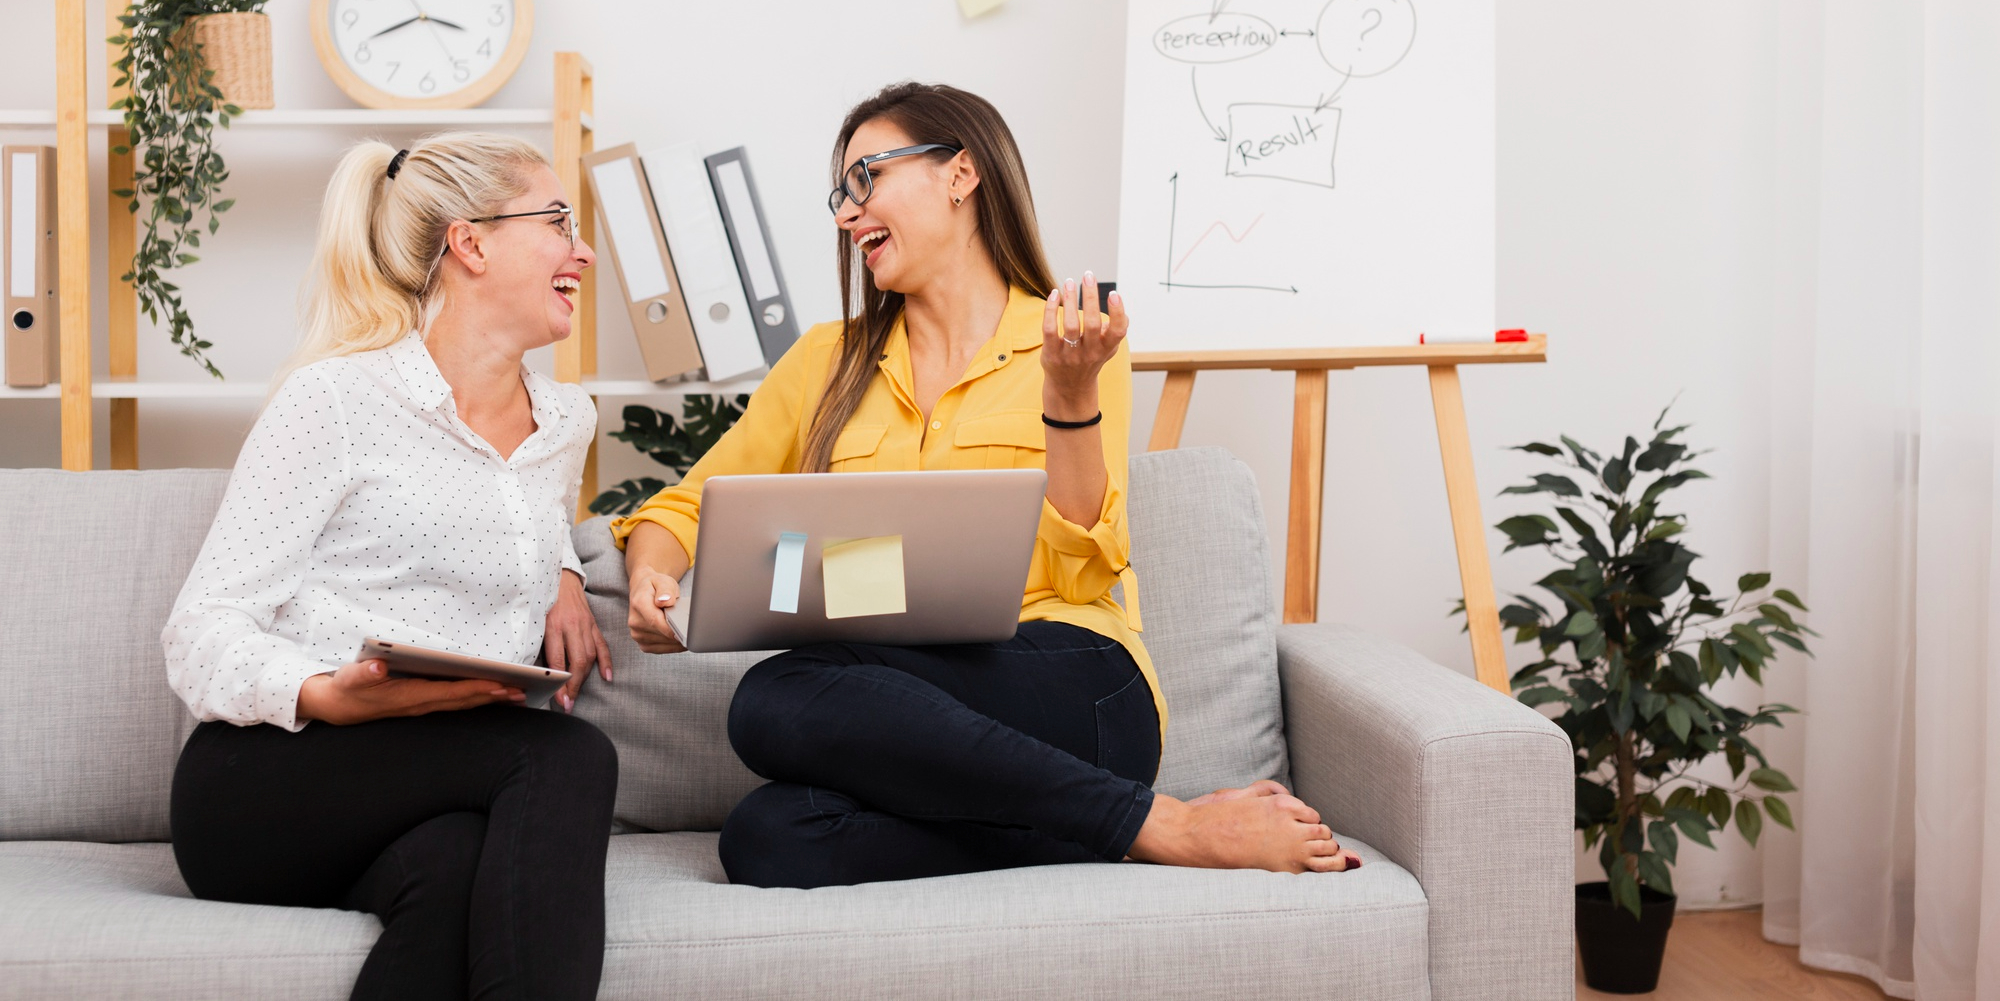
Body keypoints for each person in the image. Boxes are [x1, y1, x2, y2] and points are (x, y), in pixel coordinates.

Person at [616, 82, 1360, 888]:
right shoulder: (825, 361)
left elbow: (1085, 561)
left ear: (961, 173)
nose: (845, 213)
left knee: (775, 695)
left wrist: (1070, 396)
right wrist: (655, 566)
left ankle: (1167, 822)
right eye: (841, 193)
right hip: (903, 696)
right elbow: (686, 504)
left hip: (1075, 679)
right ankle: (1091, 823)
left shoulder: (1068, 339)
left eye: (866, 178)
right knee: (767, 837)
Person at [162, 133, 619, 1001]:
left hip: (425, 791)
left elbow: (511, 507)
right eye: (558, 220)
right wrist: (327, 690)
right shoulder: (336, 400)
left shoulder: (566, 420)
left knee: (453, 869)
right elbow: (200, 632)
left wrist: (565, 569)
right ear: (471, 242)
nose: (582, 247)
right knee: (566, 756)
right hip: (271, 778)